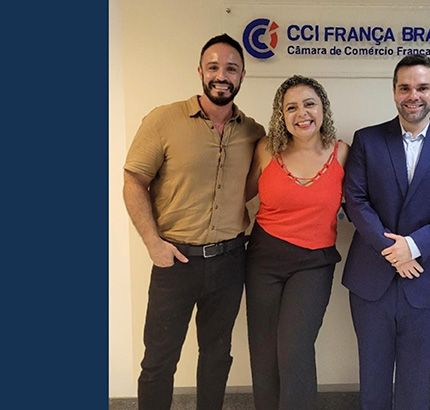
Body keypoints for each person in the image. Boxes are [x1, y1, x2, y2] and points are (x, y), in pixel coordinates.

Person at [123, 34, 265, 410]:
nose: (222, 75)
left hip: (230, 260)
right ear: (200, 71)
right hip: (175, 261)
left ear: (242, 75)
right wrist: (153, 242)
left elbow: (257, 183)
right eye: (213, 67)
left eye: (231, 69)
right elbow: (133, 180)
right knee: (159, 360)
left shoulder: (254, 133)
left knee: (217, 356)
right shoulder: (164, 119)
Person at [342, 54, 430, 410]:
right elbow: (356, 201)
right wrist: (394, 251)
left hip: (427, 280)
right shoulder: (367, 140)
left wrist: (413, 247)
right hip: (372, 280)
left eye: (422, 88)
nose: (413, 95)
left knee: (416, 381)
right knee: (372, 375)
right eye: (405, 88)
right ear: (394, 91)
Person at [243, 75, 349, 410]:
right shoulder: (266, 150)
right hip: (264, 258)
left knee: (295, 349)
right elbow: (237, 196)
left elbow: (363, 201)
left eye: (309, 104)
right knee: (264, 351)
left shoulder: (342, 153)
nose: (301, 113)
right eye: (291, 108)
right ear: (281, 115)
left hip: (314, 262)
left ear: (323, 109)